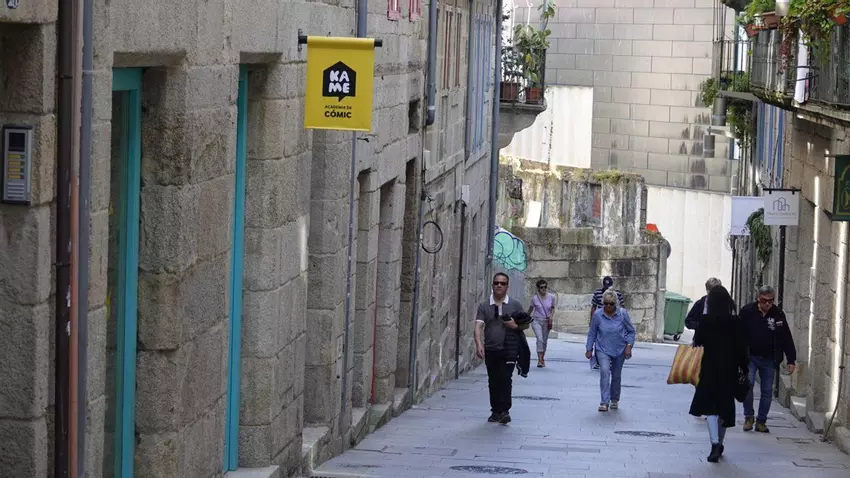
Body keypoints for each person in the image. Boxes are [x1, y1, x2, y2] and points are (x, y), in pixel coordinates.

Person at [688, 285, 748, 463]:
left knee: (710, 408)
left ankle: (714, 443)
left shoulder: (706, 321)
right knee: (724, 407)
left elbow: (698, 341)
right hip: (729, 370)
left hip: (709, 368)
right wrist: (744, 368)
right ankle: (720, 443)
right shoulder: (736, 322)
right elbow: (741, 348)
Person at [740, 285, 797, 433]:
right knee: (748, 385)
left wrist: (791, 359)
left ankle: (761, 421)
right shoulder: (747, 311)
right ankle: (748, 416)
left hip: (769, 358)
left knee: (767, 390)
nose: (767, 304)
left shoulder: (778, 314)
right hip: (750, 357)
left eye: (770, 301)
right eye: (764, 300)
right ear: (758, 298)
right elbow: (737, 334)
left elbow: (786, 337)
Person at [475, 272, 525, 424]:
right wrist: (479, 344)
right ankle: (495, 410)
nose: (499, 285)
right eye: (496, 283)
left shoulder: (515, 305)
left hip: (509, 348)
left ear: (507, 287)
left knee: (505, 378)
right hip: (491, 348)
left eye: (502, 283)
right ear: (492, 285)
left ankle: (504, 411)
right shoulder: (484, 305)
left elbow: (525, 325)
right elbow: (478, 326)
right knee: (493, 380)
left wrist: (514, 325)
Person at [585, 288, 635, 412]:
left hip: (619, 349)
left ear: (615, 304)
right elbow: (592, 333)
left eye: (611, 304)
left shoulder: (622, 314)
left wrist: (629, 346)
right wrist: (589, 348)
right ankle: (604, 401)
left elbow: (631, 331)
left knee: (616, 375)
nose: (608, 306)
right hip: (602, 349)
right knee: (604, 371)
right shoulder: (598, 315)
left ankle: (614, 399)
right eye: (606, 303)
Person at [589, 276, 625, 370]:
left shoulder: (617, 294)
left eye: (608, 286)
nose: (607, 289)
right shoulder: (597, 293)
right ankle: (599, 360)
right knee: (598, 340)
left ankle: (611, 359)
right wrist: (592, 320)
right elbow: (594, 306)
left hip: (613, 319)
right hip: (600, 319)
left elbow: (622, 308)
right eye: (605, 286)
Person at [528, 279, 557, 368]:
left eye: (545, 287)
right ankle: (540, 360)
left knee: (544, 341)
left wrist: (551, 316)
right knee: (539, 339)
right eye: (541, 287)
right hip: (536, 320)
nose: (544, 289)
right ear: (538, 288)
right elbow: (530, 309)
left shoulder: (551, 297)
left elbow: (553, 308)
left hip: (546, 321)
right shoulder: (535, 298)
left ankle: (542, 358)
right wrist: (525, 317)